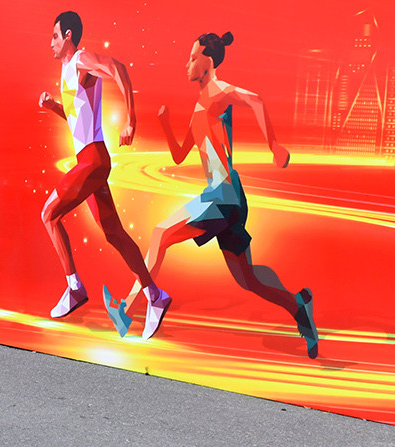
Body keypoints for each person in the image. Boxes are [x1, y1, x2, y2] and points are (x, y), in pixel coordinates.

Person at [134, 31, 318, 356]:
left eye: (192, 57)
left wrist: (273, 145)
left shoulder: (219, 91)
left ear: (208, 61)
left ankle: (145, 302)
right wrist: (164, 126)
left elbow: (255, 100)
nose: (187, 64)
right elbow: (179, 156)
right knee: (248, 279)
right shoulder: (197, 108)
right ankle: (299, 306)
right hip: (225, 197)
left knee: (161, 233)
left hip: (223, 195)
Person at [39, 11, 170, 337]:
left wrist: (130, 120)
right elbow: (76, 121)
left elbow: (118, 68)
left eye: (54, 36)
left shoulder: (81, 59)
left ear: (67, 36)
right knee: (114, 233)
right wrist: (54, 107)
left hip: (93, 161)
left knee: (49, 215)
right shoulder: (68, 71)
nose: (50, 42)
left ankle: (74, 287)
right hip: (90, 160)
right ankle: (155, 295)